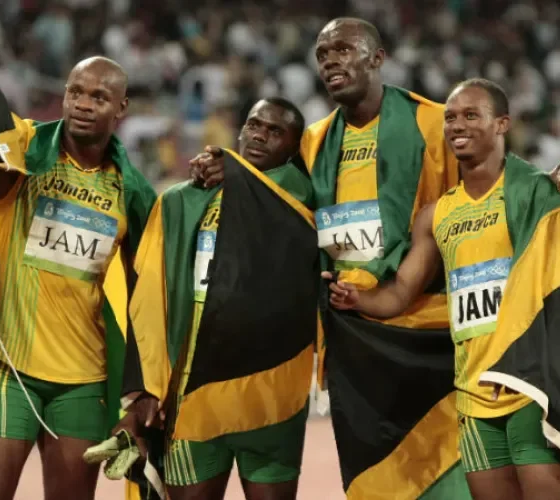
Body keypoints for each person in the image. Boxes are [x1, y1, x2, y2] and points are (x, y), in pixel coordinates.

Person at [326, 78, 560, 500]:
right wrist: (359, 299)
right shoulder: (437, 215)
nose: (457, 125)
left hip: (533, 388)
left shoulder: (538, 194)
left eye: (470, 115)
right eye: (450, 117)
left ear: (502, 124)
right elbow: (402, 290)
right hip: (473, 392)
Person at [192, 18, 471, 498]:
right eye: (323, 55)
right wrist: (230, 168)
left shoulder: (435, 123)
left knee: (446, 475)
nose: (331, 61)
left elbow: (480, 201)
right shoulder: (314, 140)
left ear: (377, 58)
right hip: (351, 334)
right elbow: (278, 200)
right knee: (372, 479)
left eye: (344, 49)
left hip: (428, 333)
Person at [0, 22, 156, 500]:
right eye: (75, 91)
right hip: (6, 365)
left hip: (83, 382)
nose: (82, 103)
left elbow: (147, 294)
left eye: (98, 96)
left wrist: (141, 390)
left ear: (121, 108)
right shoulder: (30, 147)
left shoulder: (132, 193)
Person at [115, 98, 318, 500]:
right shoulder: (185, 199)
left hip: (272, 399)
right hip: (197, 394)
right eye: (254, 124)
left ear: (294, 149)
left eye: (275, 131)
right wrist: (145, 387)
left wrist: (236, 172)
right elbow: (151, 294)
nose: (260, 134)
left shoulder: (303, 200)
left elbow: (282, 208)